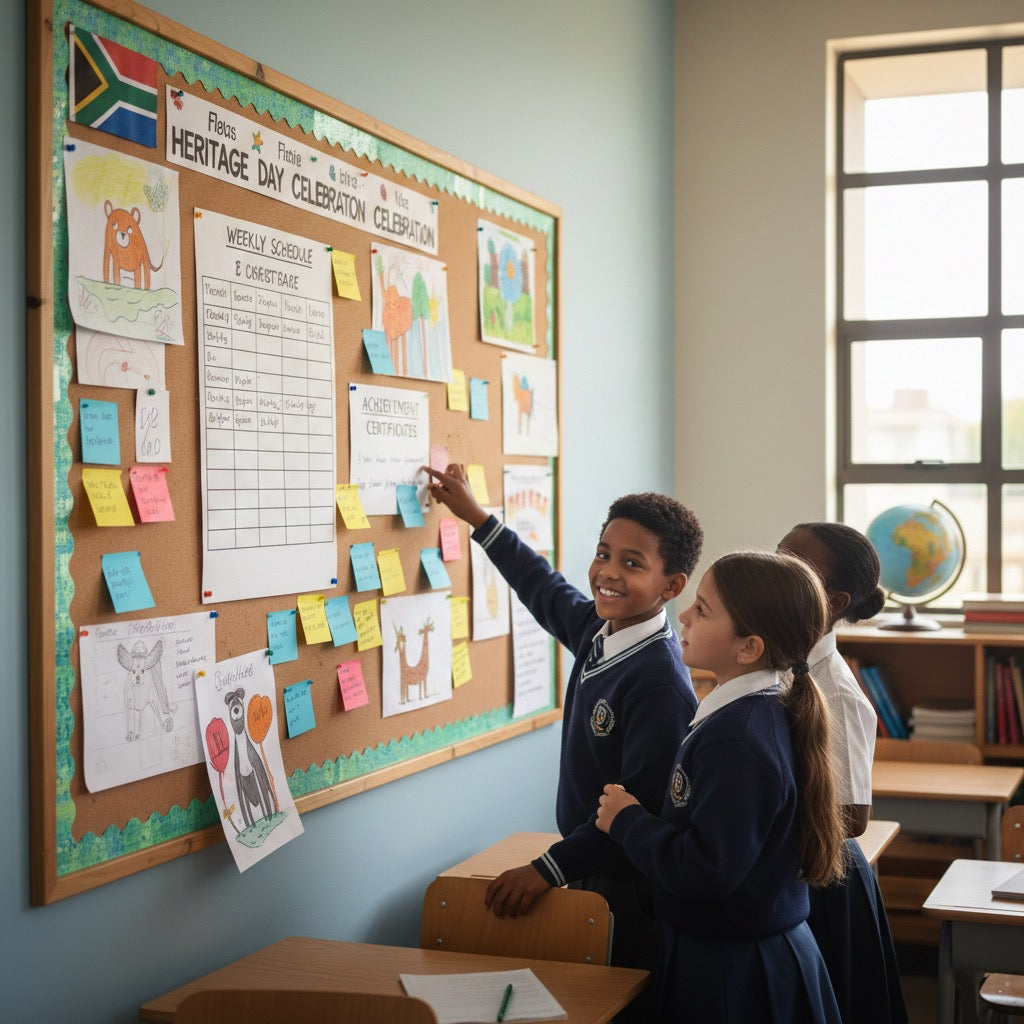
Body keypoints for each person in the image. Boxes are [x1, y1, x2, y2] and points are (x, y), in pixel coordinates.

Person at [422, 463, 703, 1003]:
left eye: (631, 563)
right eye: (603, 553)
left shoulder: (660, 683)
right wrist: (477, 517)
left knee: (614, 1002)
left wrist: (547, 869)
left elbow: (639, 808)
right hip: (589, 863)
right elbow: (542, 586)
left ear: (672, 586)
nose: (608, 572)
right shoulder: (601, 630)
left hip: (628, 883)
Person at [596, 550, 846, 1024]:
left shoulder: (737, 739)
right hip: (734, 949)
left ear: (748, 648)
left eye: (703, 610)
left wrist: (628, 822)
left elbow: (707, 871)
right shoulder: (750, 712)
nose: (684, 616)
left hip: (736, 967)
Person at [778, 522, 908, 1024]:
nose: (777, 569)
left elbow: (852, 816)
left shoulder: (836, 691)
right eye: (778, 555)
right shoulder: (775, 661)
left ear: (833, 602)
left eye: (795, 565)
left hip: (821, 880)